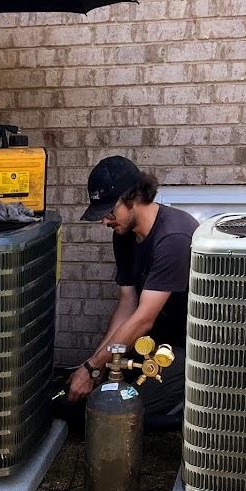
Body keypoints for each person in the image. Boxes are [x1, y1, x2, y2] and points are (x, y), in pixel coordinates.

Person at [67, 156, 199, 423]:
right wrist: (95, 366)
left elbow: (143, 318)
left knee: (122, 412)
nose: (105, 221)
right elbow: (128, 305)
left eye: (109, 211)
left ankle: (182, 401)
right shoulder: (124, 235)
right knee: (98, 399)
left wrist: (93, 367)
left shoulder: (173, 238)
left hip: (188, 348)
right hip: (149, 341)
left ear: (133, 197)